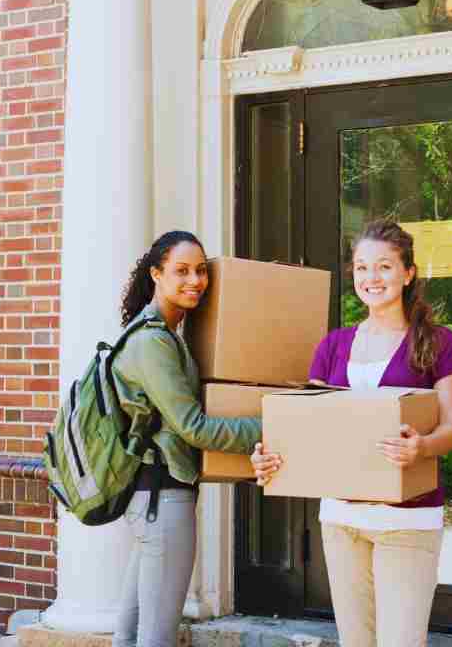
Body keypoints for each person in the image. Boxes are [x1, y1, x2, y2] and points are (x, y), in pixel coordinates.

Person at [251, 219, 452, 647]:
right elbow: (307, 429)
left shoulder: (438, 342)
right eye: (361, 268)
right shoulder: (333, 346)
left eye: (384, 267)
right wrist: (270, 457)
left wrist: (421, 447)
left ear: (407, 274)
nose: (372, 278)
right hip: (342, 520)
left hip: (407, 519)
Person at [111, 231, 263, 647]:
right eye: (182, 270)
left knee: (129, 634)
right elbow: (193, 427)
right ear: (156, 274)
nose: (195, 280)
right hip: (163, 500)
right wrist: (274, 425)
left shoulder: (162, 335)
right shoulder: (153, 342)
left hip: (151, 500)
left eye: (200, 271)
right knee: (155, 637)